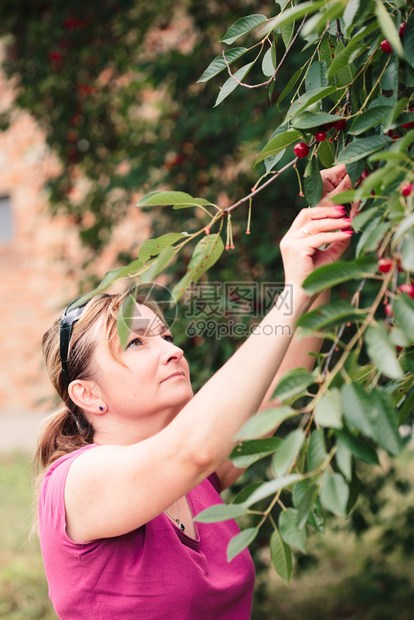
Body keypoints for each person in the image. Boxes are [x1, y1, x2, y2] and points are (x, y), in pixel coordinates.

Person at [35, 164, 354, 619]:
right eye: (136, 342)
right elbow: (192, 448)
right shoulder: (76, 483)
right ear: (87, 395)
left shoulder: (196, 481)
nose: (171, 350)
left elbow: (280, 390)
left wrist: (319, 271)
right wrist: (292, 291)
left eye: (165, 335)